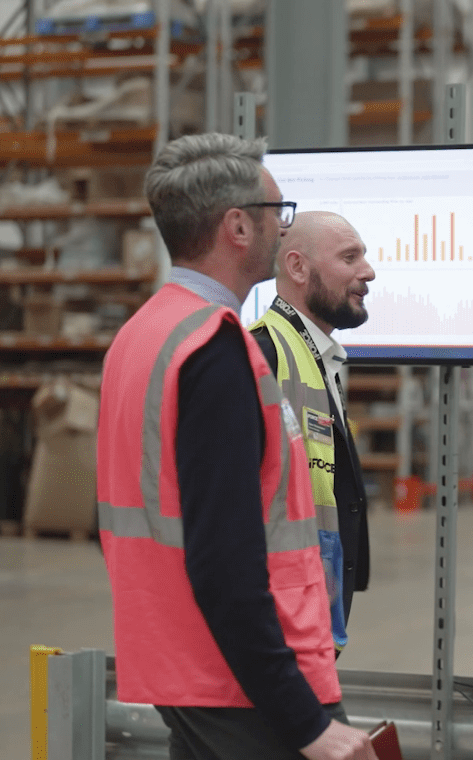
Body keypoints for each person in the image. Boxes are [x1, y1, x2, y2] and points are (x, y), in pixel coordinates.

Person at [96, 133, 378, 760]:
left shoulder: (145, 333)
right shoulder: (214, 350)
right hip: (238, 678)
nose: (285, 226)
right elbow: (224, 562)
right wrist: (305, 724)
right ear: (238, 227)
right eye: (278, 212)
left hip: (177, 658)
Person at [250, 211, 376, 653]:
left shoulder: (317, 357)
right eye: (350, 257)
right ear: (298, 267)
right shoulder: (262, 355)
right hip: (280, 619)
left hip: (311, 604)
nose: (368, 272)